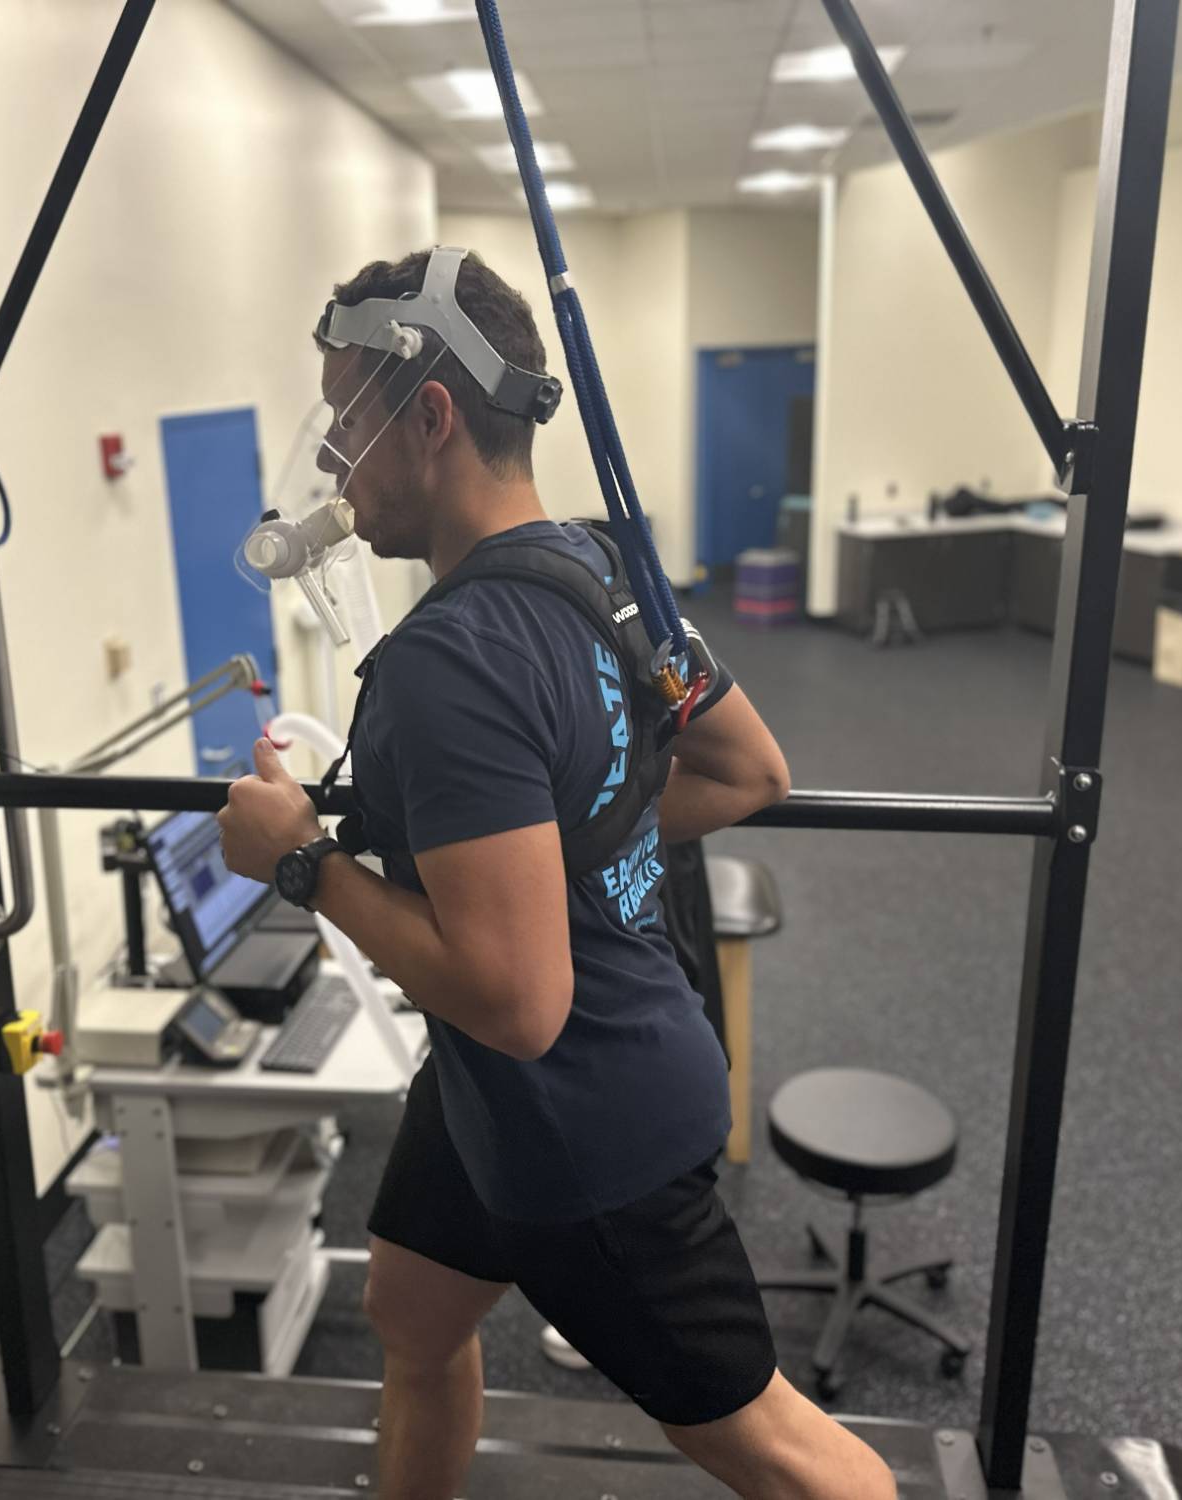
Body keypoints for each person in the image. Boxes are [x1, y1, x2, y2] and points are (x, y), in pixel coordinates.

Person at [217, 248, 895, 1500]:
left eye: (345, 422)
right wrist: (567, 842)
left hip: (585, 1125)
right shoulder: (605, 574)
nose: (326, 465)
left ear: (427, 418)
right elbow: (750, 770)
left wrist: (299, 859)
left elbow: (517, 1002)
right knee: (413, 1312)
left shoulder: (448, 663)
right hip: (543, 1073)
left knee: (801, 1467)